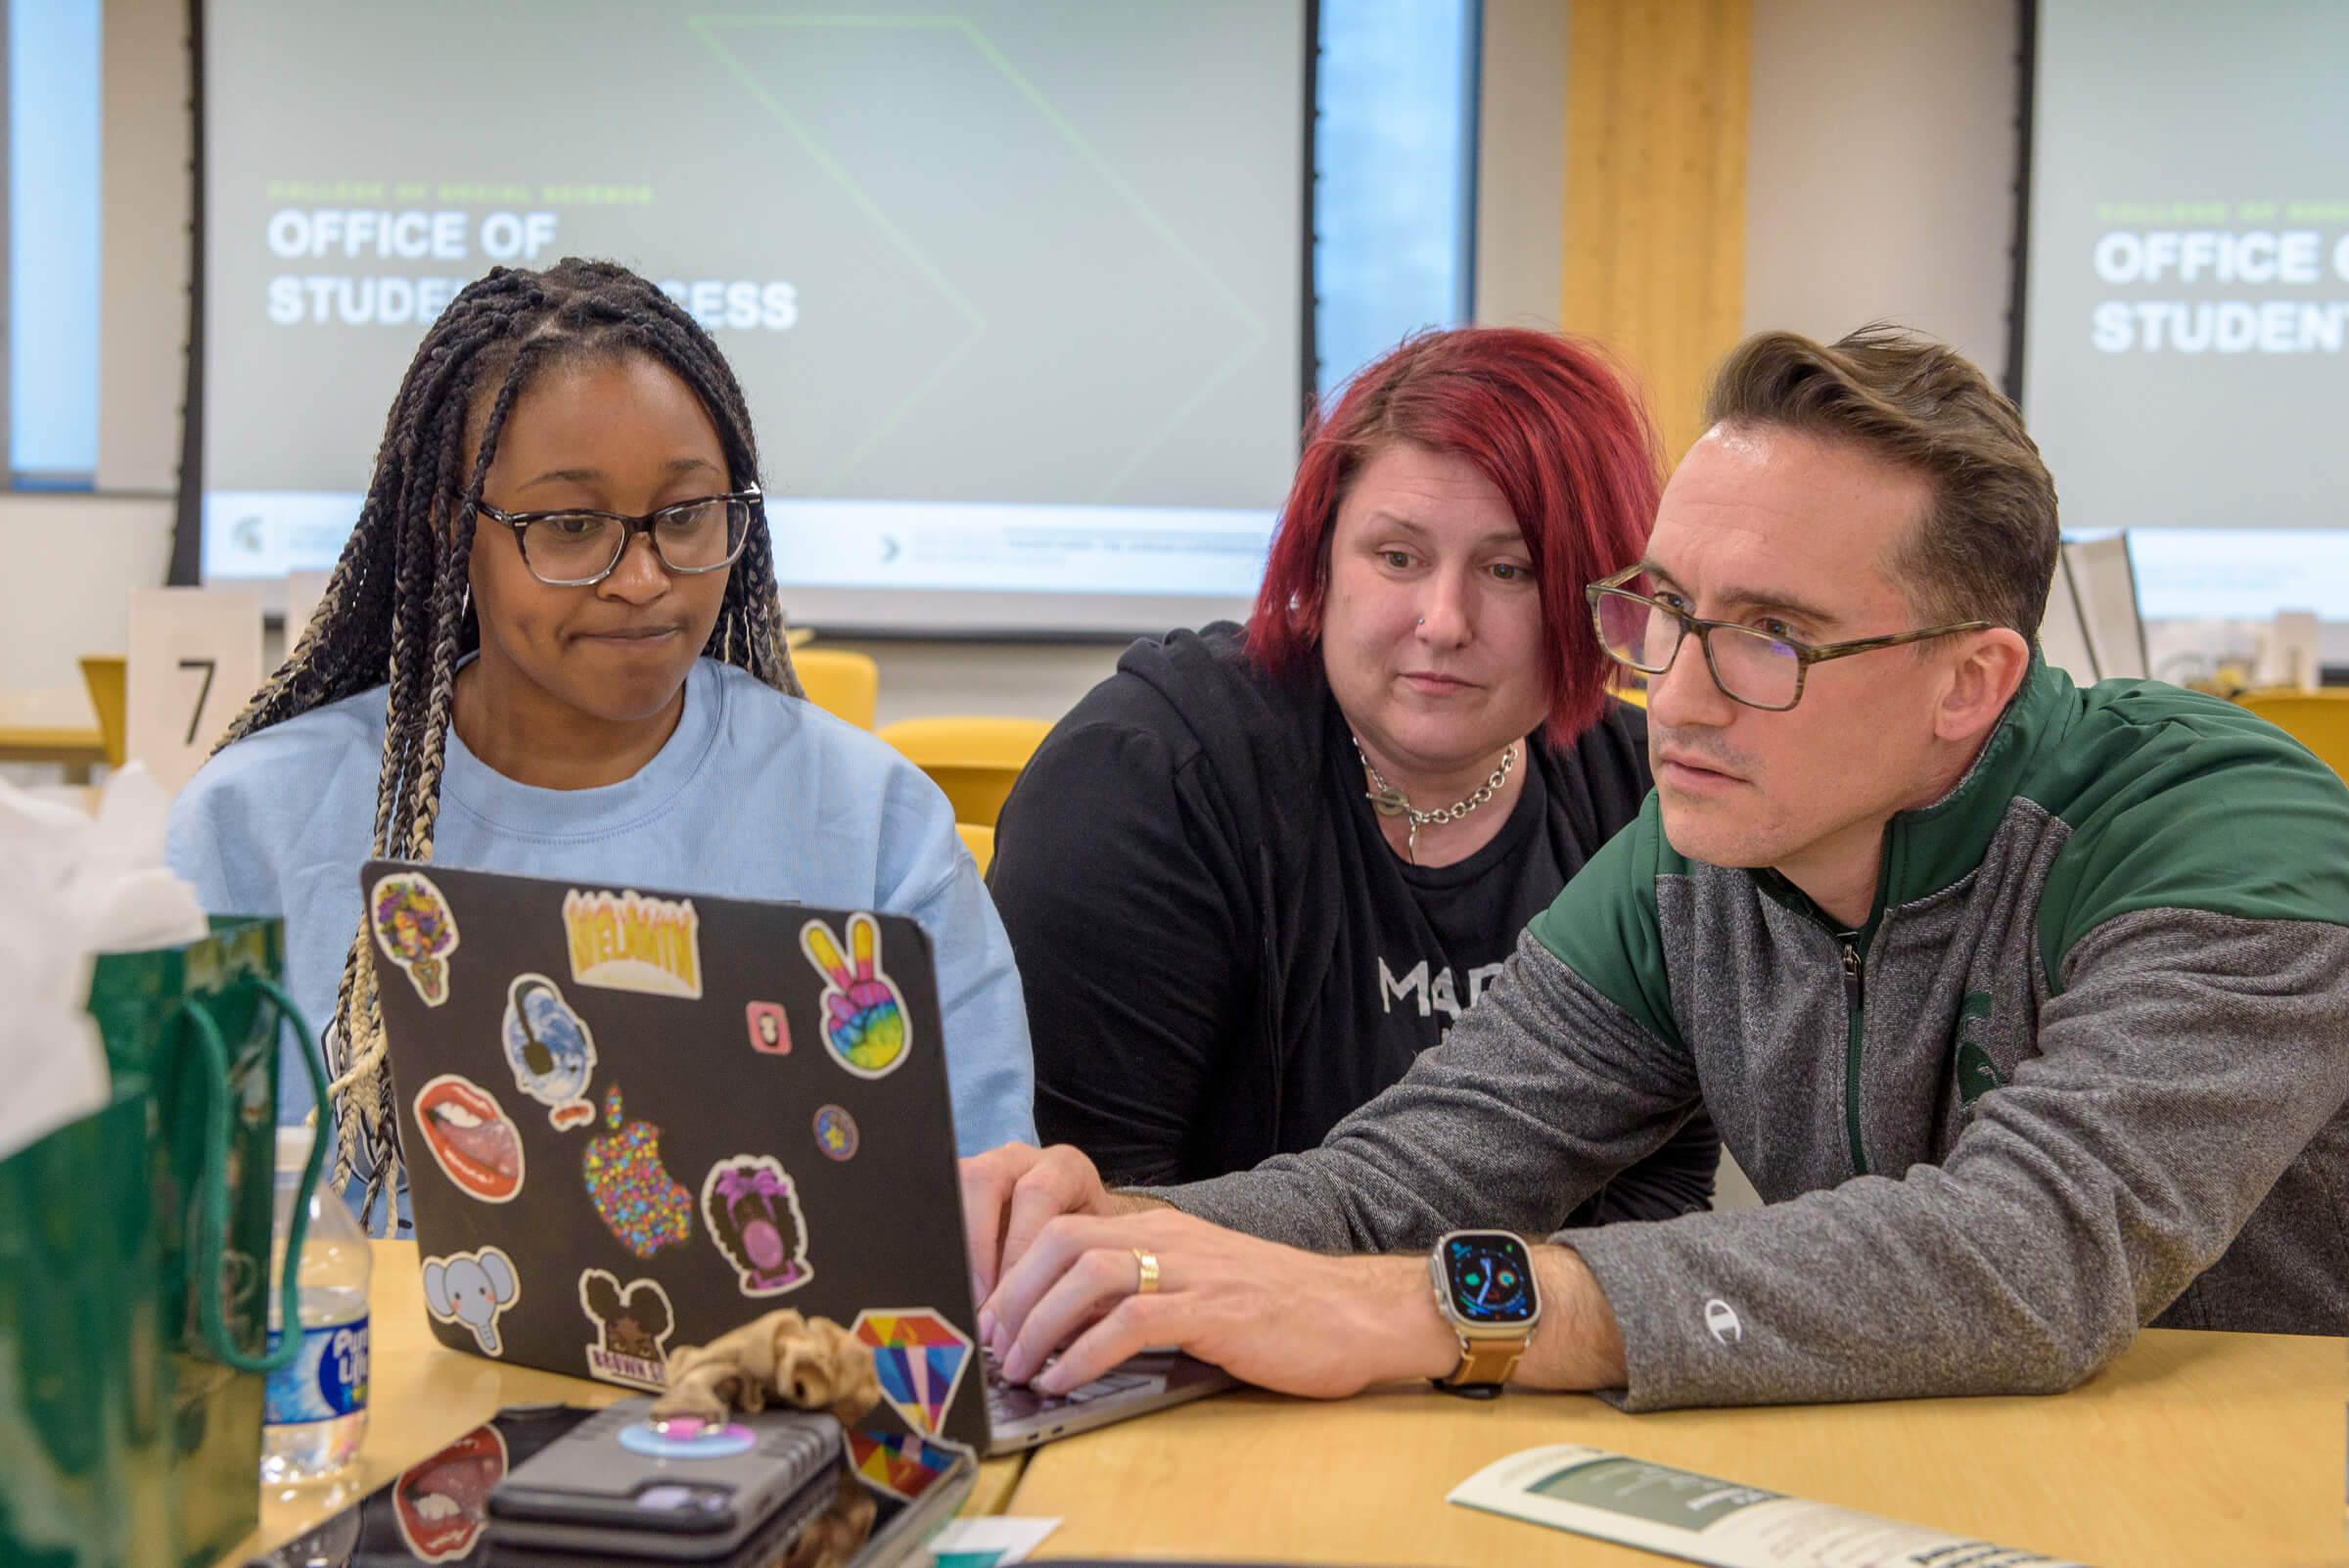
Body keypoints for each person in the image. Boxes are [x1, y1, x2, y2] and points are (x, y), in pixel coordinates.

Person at [960, 325, 2349, 1411]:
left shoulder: (2222, 834)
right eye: (1666, 609)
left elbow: (2028, 1256)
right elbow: (1401, 1181)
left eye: (1769, 636)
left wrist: (1439, 1310)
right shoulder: (1699, 857)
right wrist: (1106, 1240)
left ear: (1970, 683)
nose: (1672, 695)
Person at [167, 259, 1035, 1223]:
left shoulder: (876, 826)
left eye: (686, 515)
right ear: (452, 526)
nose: (643, 578)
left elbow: (980, 1226)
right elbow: (163, 1214)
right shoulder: (251, 826)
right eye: (572, 525)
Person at [989, 328, 1718, 1220]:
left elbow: (1658, 1182)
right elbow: (1096, 1221)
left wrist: (1471, 1307)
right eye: (1398, 557)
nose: (1443, 621)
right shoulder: (1144, 786)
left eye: (1510, 569)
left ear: (1599, 597)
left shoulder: (1644, 800)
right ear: (1321, 559)